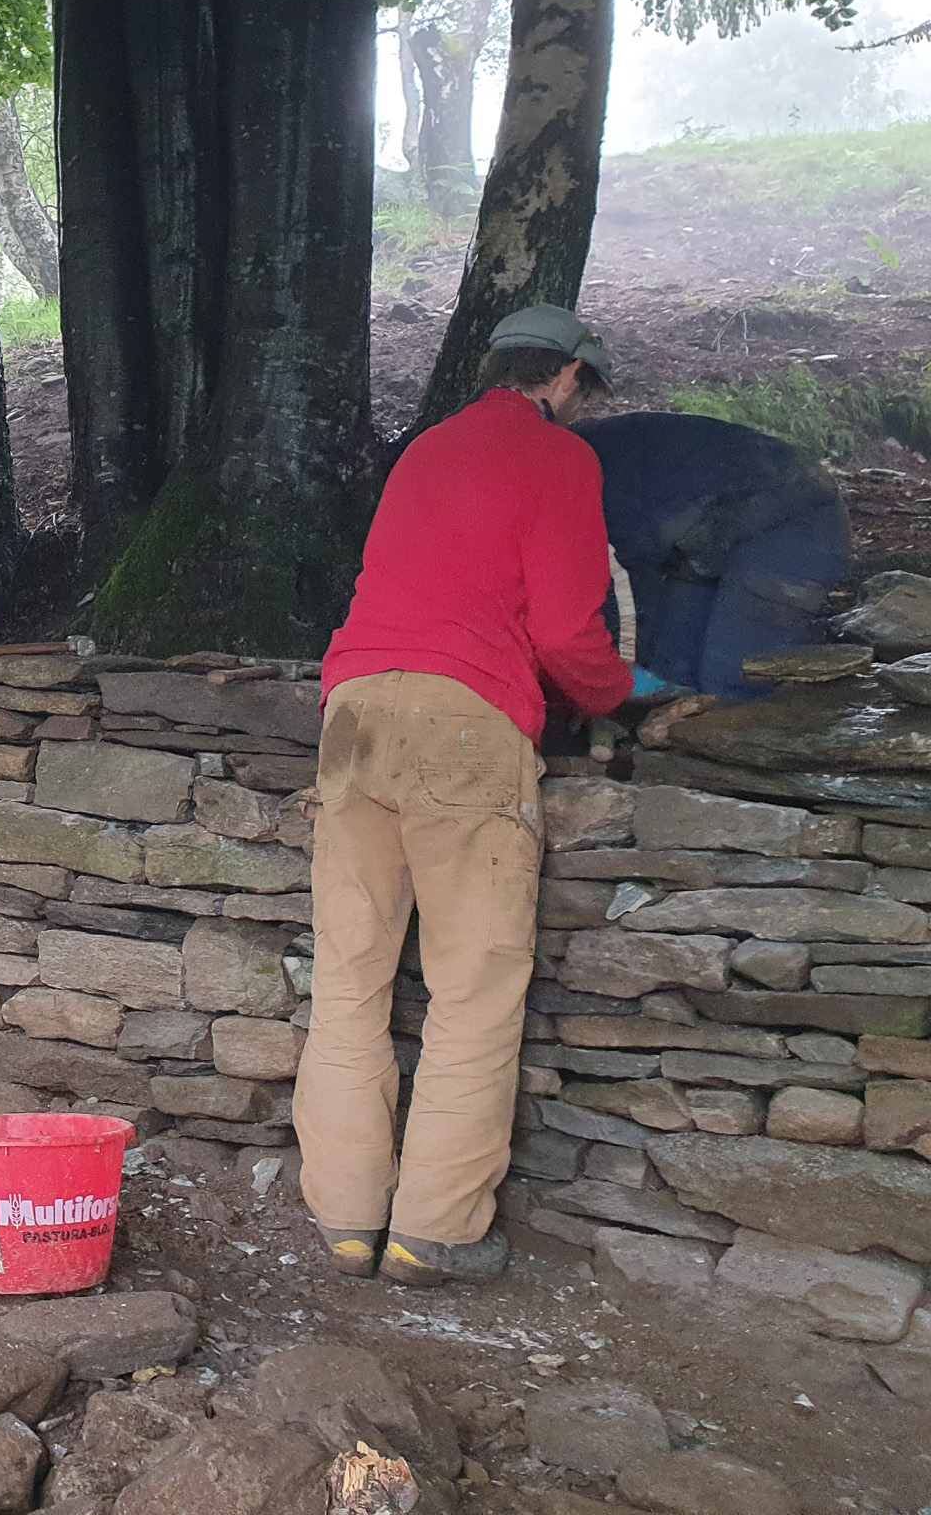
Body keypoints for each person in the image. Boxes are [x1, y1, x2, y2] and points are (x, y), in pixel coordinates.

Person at [295, 305, 642, 1287]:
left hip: (354, 712)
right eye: (587, 391)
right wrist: (622, 697)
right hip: (464, 721)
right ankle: (433, 1231)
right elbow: (568, 631)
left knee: (349, 980)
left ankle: (345, 1220)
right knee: (474, 988)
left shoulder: (426, 451)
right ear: (565, 376)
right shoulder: (559, 459)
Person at [576, 411, 852, 700]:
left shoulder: (589, 473)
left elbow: (625, 585)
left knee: (732, 680)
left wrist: (607, 683)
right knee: (671, 670)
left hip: (797, 518)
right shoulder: (582, 455)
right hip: (709, 531)